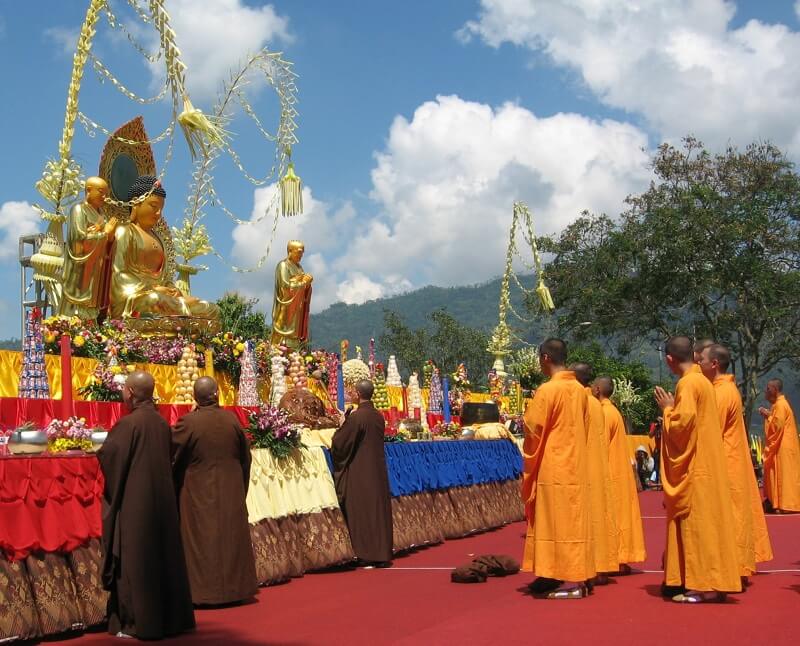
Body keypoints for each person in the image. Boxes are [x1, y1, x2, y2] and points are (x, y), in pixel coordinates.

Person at [97, 371, 195, 639]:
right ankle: (170, 619)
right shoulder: (161, 423)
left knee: (134, 561)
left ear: (129, 392)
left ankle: (137, 623)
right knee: (162, 558)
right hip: (161, 501)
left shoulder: (128, 425)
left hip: (135, 503)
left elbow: (110, 456)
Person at [654, 336, 741, 602]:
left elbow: (683, 426)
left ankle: (703, 585)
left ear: (670, 360)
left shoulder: (689, 383)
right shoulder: (703, 381)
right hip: (708, 463)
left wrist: (668, 412)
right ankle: (702, 580)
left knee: (698, 526)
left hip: (697, 468)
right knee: (708, 525)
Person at [172, 376, 258, 605]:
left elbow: (171, 457)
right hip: (231, 490)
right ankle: (236, 590)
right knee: (230, 539)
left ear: (194, 397)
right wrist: (240, 488)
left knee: (202, 542)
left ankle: (203, 593)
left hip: (198, 493)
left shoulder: (188, 423)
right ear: (217, 393)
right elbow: (246, 459)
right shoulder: (232, 420)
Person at [522, 339, 595, 599]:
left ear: (545, 358)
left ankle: (572, 580)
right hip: (576, 463)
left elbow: (533, 428)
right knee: (571, 521)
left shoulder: (548, 390)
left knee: (559, 524)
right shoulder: (579, 389)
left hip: (554, 465)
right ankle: (566, 574)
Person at [697, 343, 773, 580]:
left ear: (714, 364)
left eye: (702, 360)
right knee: (735, 515)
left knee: (730, 517)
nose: (698, 365)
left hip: (725, 464)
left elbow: (709, 430)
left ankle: (733, 568)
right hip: (731, 461)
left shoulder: (720, 392)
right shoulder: (725, 389)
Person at [108, 175, 219, 323]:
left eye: (161, 208)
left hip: (164, 299)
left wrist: (174, 291)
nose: (158, 213)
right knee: (155, 300)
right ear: (136, 203)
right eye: (153, 206)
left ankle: (181, 317)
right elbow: (118, 275)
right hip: (136, 299)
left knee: (210, 308)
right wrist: (152, 288)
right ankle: (183, 319)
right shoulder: (125, 232)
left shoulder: (159, 239)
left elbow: (165, 279)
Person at [332, 379, 393, 566]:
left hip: (361, 472)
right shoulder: (377, 415)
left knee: (364, 512)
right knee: (377, 512)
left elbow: (340, 444)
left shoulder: (358, 417)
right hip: (376, 470)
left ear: (358, 394)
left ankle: (369, 554)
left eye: (352, 391)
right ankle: (382, 553)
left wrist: (343, 424)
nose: (350, 393)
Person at [593, 377, 647, 573]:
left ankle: (614, 559)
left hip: (610, 471)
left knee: (612, 515)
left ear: (597, 389)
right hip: (617, 469)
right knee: (620, 515)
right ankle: (620, 558)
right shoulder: (612, 410)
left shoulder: (605, 413)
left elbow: (599, 445)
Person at [571, 363, 618, 585]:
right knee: (598, 516)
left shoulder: (580, 402)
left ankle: (587, 568)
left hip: (583, 469)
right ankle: (601, 566)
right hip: (598, 468)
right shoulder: (596, 405)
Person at [60, 176, 117, 318]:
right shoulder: (79, 210)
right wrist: (105, 233)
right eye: (101, 192)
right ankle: (72, 325)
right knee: (77, 309)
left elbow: (107, 245)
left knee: (93, 306)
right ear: (89, 190)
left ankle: (91, 325)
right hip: (80, 269)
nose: (104, 197)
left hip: (96, 268)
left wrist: (110, 237)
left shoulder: (101, 214)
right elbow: (78, 241)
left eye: (106, 193)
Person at [758, 378, 800, 513]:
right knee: (776, 474)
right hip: (781, 445)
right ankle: (776, 502)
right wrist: (770, 415)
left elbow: (777, 426)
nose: (766, 391)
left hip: (783, 446)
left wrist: (767, 416)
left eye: (768, 389)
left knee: (783, 476)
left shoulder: (781, 405)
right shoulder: (779, 405)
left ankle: (786, 505)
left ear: (775, 390)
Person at [271, 240, 313, 349]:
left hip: (297, 307)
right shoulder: (283, 265)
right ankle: (279, 349)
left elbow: (302, 288)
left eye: (302, 253)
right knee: (284, 333)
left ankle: (295, 348)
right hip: (287, 306)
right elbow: (285, 287)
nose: (301, 255)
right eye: (298, 252)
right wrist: (303, 282)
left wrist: (307, 285)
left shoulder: (299, 268)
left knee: (296, 334)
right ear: (290, 251)